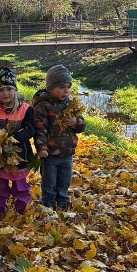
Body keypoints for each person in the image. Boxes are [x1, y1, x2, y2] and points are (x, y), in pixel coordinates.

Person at [33, 64, 85, 210]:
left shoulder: (70, 104)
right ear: (51, 88)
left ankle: (61, 204)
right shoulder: (43, 106)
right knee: (49, 183)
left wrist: (77, 123)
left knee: (64, 181)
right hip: (50, 154)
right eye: (62, 87)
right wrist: (42, 148)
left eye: (68, 87)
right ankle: (48, 206)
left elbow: (82, 125)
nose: (66, 91)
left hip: (67, 153)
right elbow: (40, 128)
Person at [0, 68, 35, 217]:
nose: (5, 93)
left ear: (15, 90)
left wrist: (15, 138)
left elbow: (30, 129)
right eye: (1, 90)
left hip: (20, 155)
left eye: (9, 89)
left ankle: (21, 210)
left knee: (20, 186)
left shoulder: (25, 109)